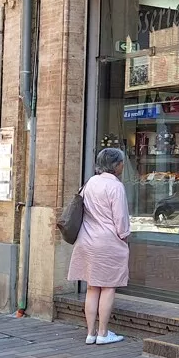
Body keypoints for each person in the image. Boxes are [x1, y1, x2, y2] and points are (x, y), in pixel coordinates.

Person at [67, 147, 132, 345]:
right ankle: (103, 332)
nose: (123, 165)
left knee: (92, 287)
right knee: (109, 287)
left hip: (87, 240)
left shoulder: (91, 182)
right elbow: (120, 218)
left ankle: (90, 333)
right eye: (121, 162)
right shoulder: (116, 187)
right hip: (108, 241)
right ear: (116, 165)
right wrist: (125, 236)